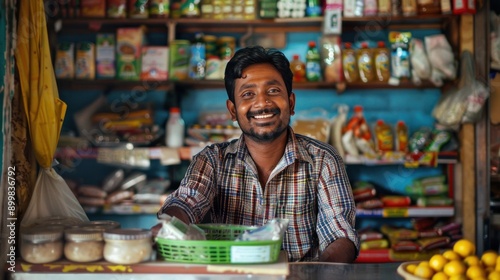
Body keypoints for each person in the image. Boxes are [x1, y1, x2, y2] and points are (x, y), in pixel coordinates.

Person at [154, 46, 359, 263]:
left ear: (291, 102)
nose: (262, 103)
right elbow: (187, 201)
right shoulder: (213, 160)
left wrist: (318, 274)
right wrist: (168, 225)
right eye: (248, 94)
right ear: (233, 110)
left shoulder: (323, 159)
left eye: (273, 91)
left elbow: (340, 234)